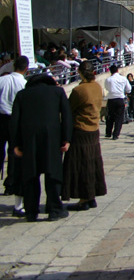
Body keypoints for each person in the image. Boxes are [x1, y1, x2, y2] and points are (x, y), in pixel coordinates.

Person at [10, 73, 72, 222]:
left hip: (28, 140)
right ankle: (54, 210)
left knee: (30, 174)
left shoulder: (22, 95)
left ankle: (31, 211)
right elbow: (67, 116)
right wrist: (66, 139)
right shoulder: (57, 92)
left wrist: (15, 144)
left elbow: (15, 121)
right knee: (53, 173)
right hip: (52, 138)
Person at [63, 61, 107, 210]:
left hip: (81, 131)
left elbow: (69, 109)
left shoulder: (79, 90)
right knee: (92, 164)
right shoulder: (97, 87)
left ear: (80, 72)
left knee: (80, 165)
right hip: (94, 130)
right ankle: (91, 196)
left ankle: (83, 199)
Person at [0, 56, 28, 210]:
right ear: (26, 68)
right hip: (16, 120)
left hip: (1, 118)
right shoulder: (24, 83)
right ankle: (10, 184)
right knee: (13, 152)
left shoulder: (2, 80)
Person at [105, 64, 131, 140]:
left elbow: (107, 88)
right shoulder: (123, 78)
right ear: (117, 70)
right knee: (119, 117)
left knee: (110, 116)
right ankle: (116, 134)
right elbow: (129, 89)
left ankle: (108, 132)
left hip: (111, 99)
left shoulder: (108, 79)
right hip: (120, 98)